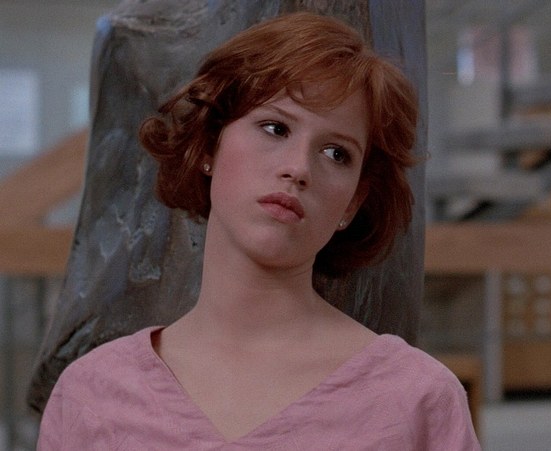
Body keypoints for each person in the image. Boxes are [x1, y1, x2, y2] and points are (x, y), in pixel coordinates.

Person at [37, 12, 480, 450]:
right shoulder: (92, 397)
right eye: (275, 128)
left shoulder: (416, 401)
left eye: (336, 153)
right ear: (209, 144)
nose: (298, 168)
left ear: (353, 202)